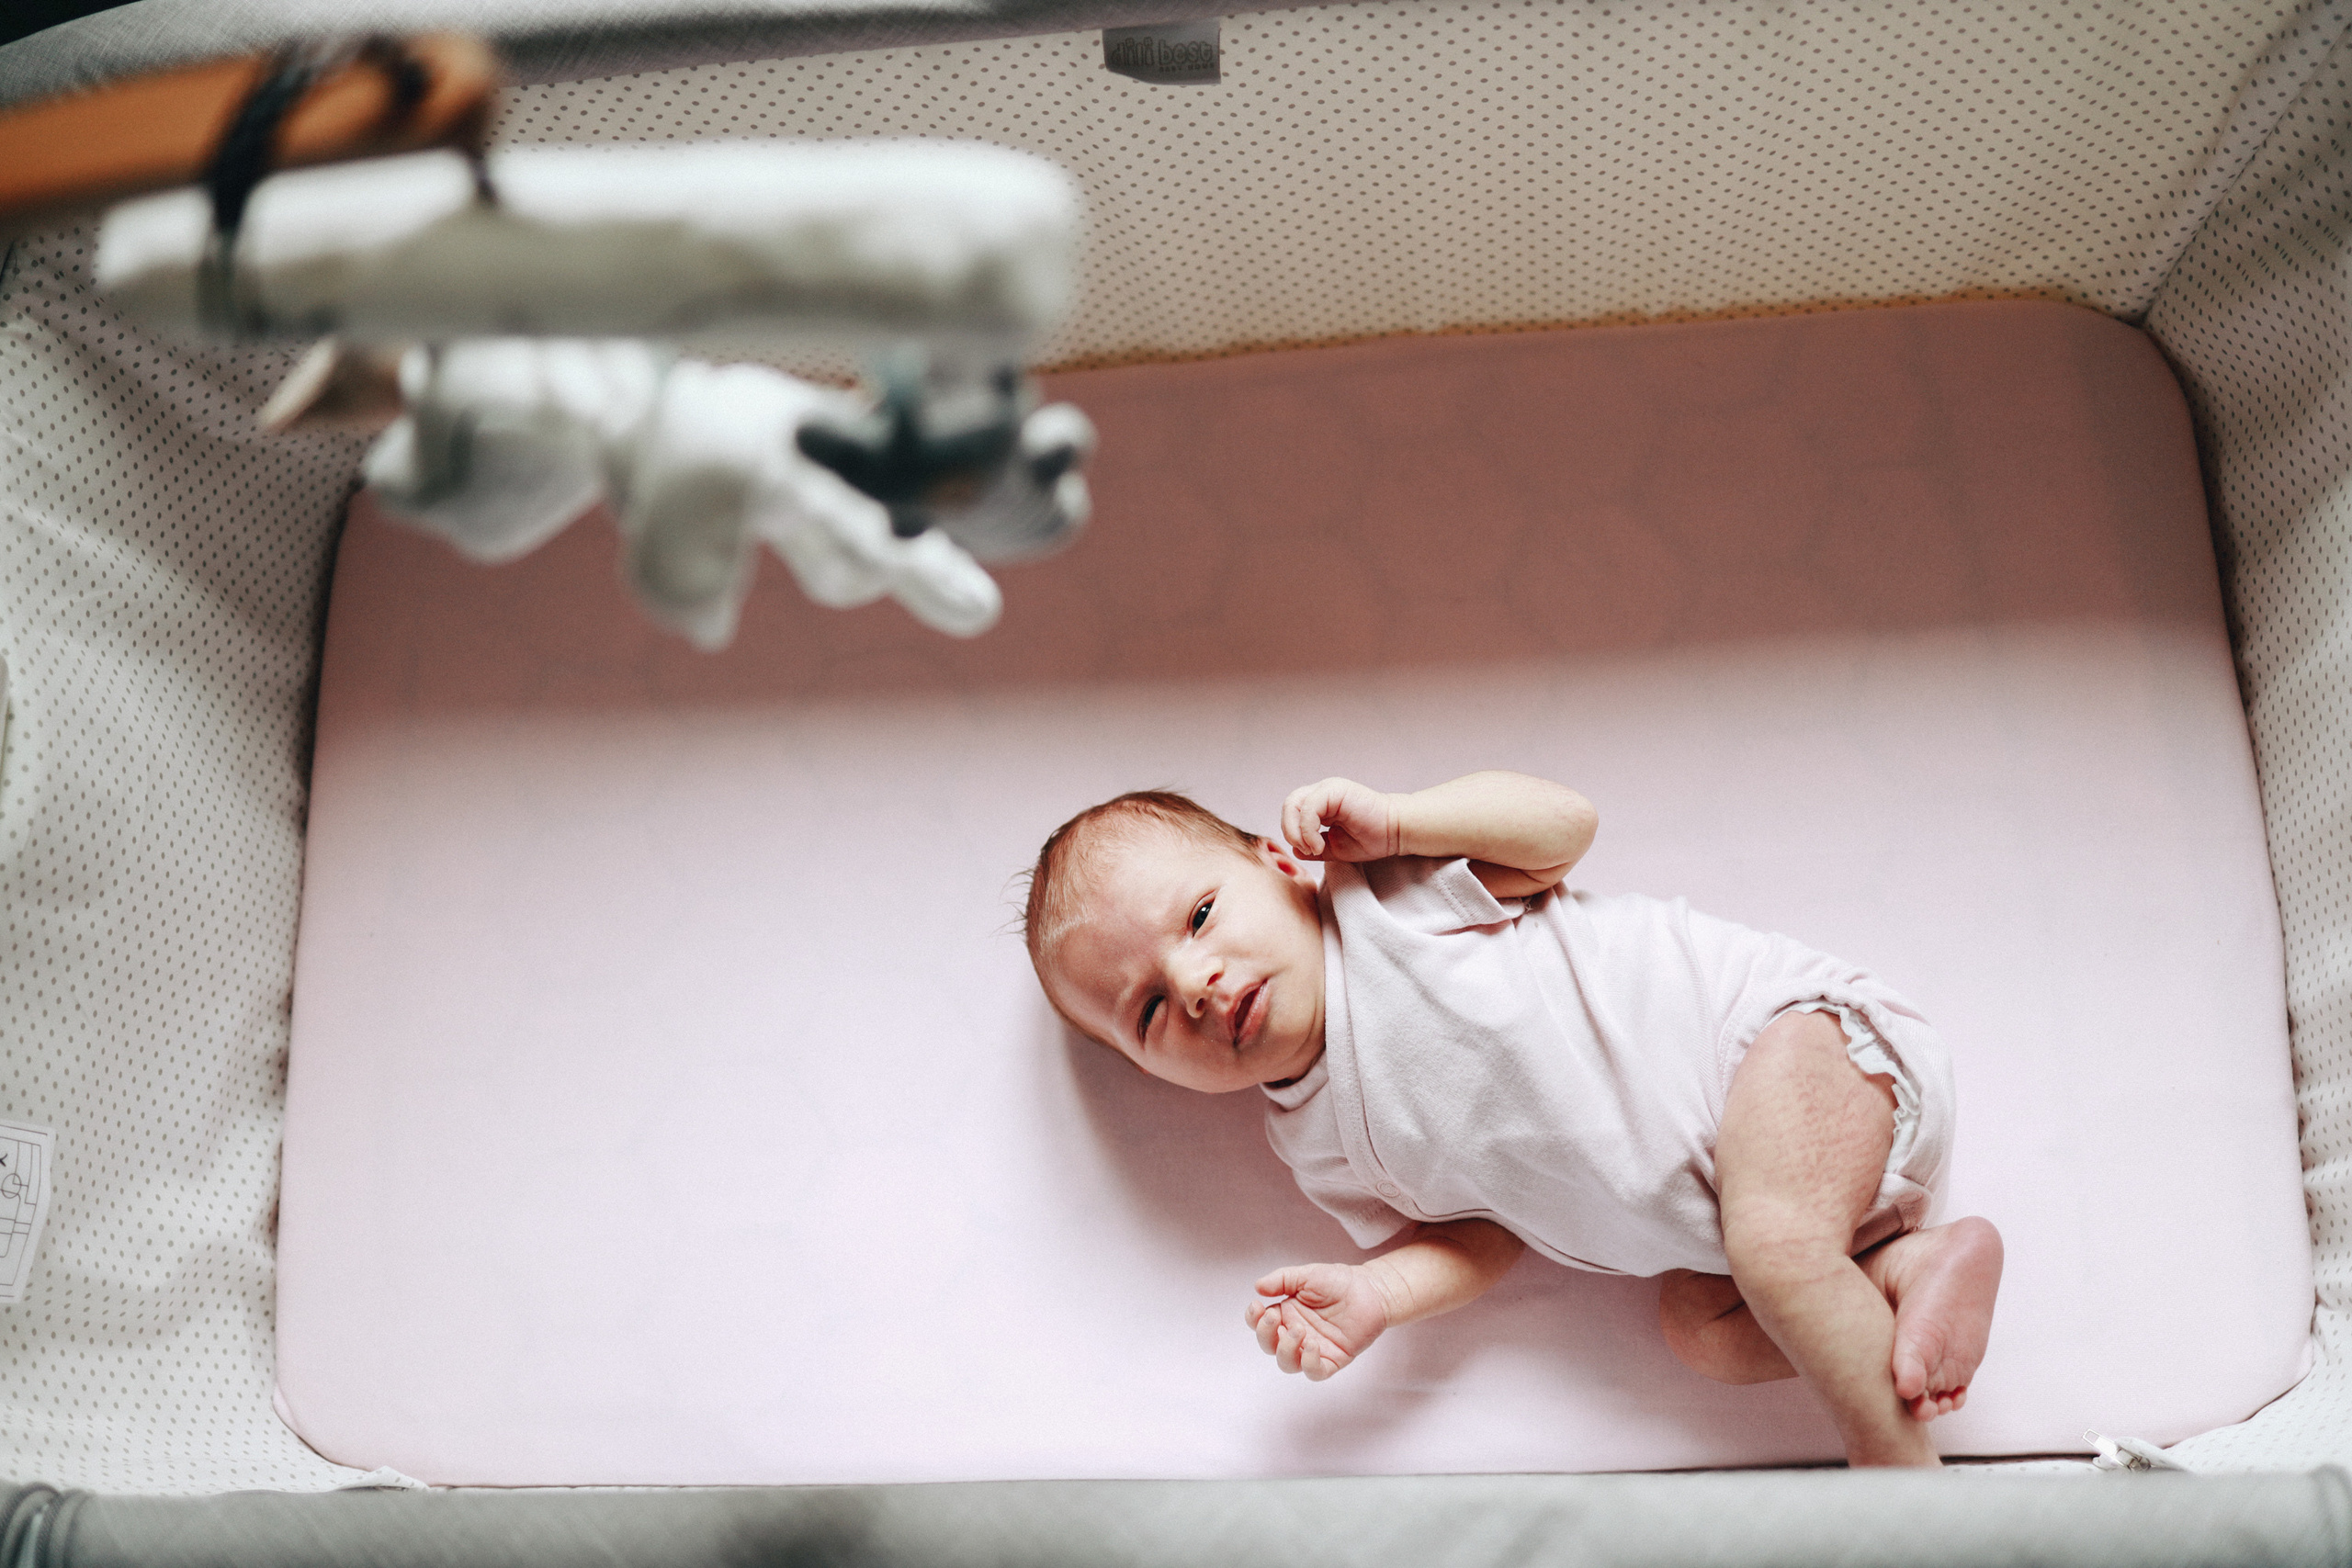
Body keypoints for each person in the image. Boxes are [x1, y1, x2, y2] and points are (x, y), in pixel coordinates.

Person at [1022, 770, 2003, 1469]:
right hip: (1777, 1226)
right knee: (1703, 1332)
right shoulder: (1315, 1146)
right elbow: (1478, 1239)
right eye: (1147, 1011)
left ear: (1275, 862)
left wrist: (1401, 820)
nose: (1193, 984)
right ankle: (1908, 1270)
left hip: (1794, 1044)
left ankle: (1896, 1477)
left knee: (1773, 1244)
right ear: (1152, 1070)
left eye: (1197, 919)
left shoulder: (1386, 904)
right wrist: (1378, 1297)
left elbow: (1563, 828)